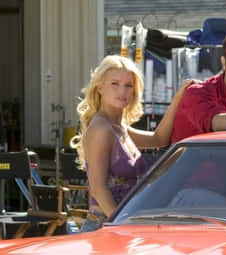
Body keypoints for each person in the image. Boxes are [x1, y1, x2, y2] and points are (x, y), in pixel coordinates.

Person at [71, 55, 193, 231]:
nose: (122, 91)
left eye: (128, 85)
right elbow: (98, 189)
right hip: (104, 224)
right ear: (100, 87)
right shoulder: (101, 129)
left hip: (123, 222)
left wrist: (177, 99)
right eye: (115, 84)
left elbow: (159, 139)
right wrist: (121, 227)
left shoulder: (120, 128)